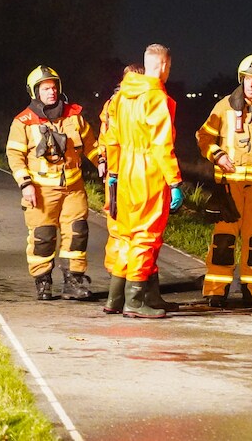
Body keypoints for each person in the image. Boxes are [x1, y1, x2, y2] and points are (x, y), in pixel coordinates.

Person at [7, 66, 105, 301]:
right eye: (45, 88)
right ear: (35, 92)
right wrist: (25, 184)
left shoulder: (74, 115)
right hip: (40, 191)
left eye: (53, 87)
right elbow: (14, 156)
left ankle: (74, 280)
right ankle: (43, 281)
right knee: (43, 236)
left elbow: (91, 144)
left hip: (73, 188)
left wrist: (100, 160)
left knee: (77, 233)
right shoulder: (23, 122)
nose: (51, 92)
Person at [100, 44, 184, 319]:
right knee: (146, 236)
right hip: (148, 172)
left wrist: (113, 174)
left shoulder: (122, 96)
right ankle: (135, 300)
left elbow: (111, 139)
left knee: (124, 235)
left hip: (124, 171)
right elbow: (162, 144)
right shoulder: (156, 97)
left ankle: (116, 296)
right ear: (162, 67)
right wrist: (174, 181)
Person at [194, 53, 252, 307]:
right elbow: (203, 137)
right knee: (224, 238)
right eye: (247, 79)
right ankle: (215, 290)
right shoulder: (224, 106)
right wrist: (217, 155)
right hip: (228, 185)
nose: (251, 85)